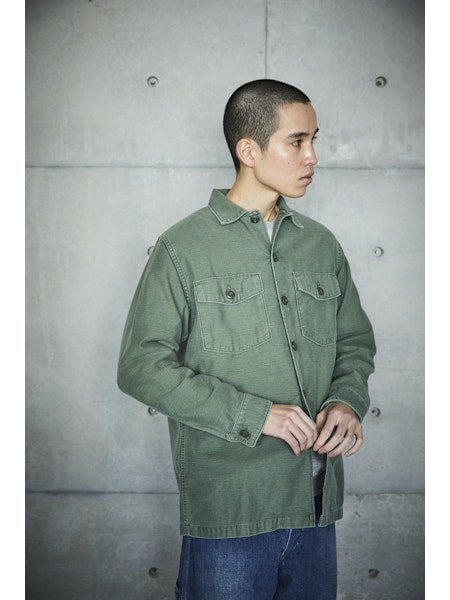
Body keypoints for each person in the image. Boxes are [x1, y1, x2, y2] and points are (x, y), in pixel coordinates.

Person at [117, 79, 376, 600]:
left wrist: (347, 401)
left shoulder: (322, 246)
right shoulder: (182, 248)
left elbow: (354, 342)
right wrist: (255, 415)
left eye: (313, 140)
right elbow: (141, 366)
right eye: (296, 141)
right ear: (249, 151)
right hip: (229, 513)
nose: (313, 156)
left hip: (315, 508)